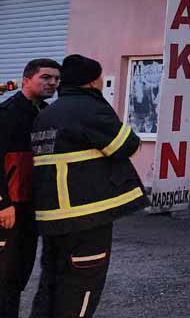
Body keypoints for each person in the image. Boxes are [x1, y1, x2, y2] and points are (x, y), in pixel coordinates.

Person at [30, 55, 145, 318]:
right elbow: (126, 145)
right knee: (82, 285)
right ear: (93, 80)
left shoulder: (46, 114)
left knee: (52, 282)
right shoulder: (89, 108)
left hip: (52, 217)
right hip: (86, 217)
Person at [0, 59, 59, 316]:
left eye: (56, 79)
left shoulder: (46, 113)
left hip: (32, 208)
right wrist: (3, 203)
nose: (52, 83)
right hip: (10, 208)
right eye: (45, 77)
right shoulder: (7, 113)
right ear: (26, 80)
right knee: (4, 276)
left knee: (20, 273)